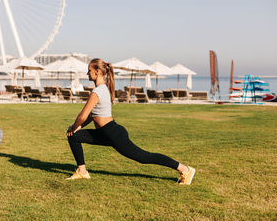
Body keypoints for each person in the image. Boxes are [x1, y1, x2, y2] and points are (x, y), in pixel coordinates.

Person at [66, 58, 195, 185]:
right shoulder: (102, 89)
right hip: (104, 133)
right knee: (74, 136)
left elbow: (82, 116)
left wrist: (74, 126)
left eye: (89, 70)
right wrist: (76, 128)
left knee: (144, 157)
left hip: (112, 133)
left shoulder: (97, 91)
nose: (87, 73)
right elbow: (91, 116)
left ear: (98, 71)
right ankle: (82, 171)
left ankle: (185, 169)